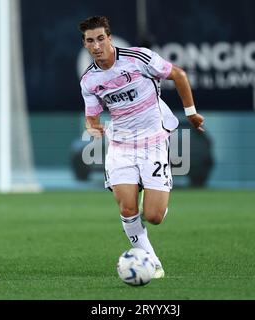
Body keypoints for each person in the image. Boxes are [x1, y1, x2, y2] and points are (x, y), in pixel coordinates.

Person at [78, 16, 205, 279]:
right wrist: (92, 126)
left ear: (109, 38)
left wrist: (191, 113)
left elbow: (178, 75)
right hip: (121, 146)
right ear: (85, 44)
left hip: (154, 142)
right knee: (127, 208)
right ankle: (151, 262)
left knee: (155, 216)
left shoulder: (139, 58)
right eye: (90, 41)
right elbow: (92, 115)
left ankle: (152, 195)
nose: (96, 45)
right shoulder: (89, 80)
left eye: (101, 38)